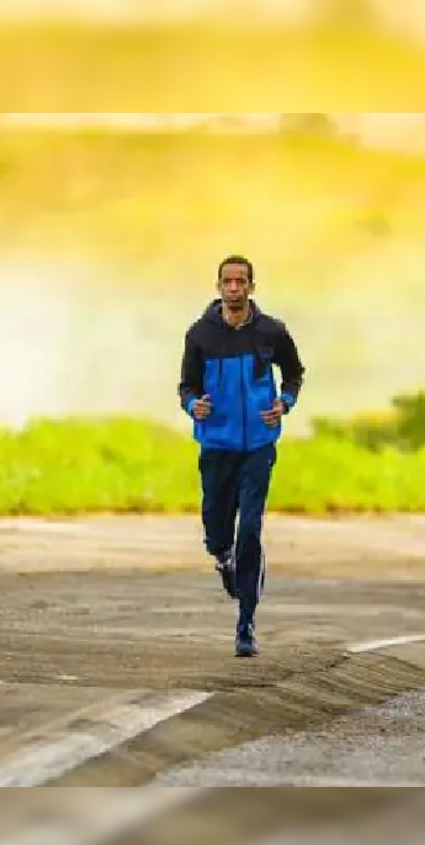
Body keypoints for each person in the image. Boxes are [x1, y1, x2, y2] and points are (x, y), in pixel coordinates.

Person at [177, 255, 306, 658]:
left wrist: (284, 403)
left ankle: (246, 624)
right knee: (218, 532)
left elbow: (295, 374)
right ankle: (223, 557)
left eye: (241, 282)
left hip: (258, 446)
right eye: (227, 282)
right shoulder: (200, 335)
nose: (234, 288)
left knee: (250, 528)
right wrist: (193, 405)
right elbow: (186, 387)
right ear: (218, 286)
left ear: (252, 286)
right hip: (217, 445)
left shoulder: (272, 332)